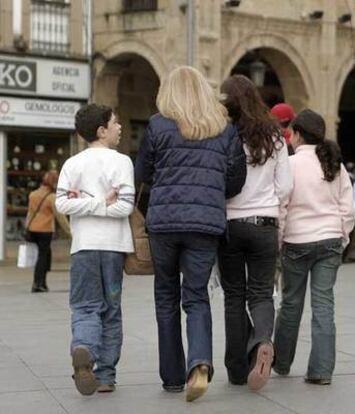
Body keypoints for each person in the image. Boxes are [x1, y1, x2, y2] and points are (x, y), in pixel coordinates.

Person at [135, 66, 246, 402]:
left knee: (165, 297)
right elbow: (236, 180)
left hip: (164, 224)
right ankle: (199, 363)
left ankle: (171, 376)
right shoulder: (223, 129)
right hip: (204, 224)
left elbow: (143, 173)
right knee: (196, 296)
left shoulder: (157, 125)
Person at [218, 75, 292, 391]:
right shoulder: (274, 135)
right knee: (261, 292)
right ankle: (262, 339)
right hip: (265, 223)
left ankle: (237, 368)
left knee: (234, 296)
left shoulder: (224, 136)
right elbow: (286, 186)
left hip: (231, 224)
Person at [55, 104, 135, 396]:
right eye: (115, 123)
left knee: (85, 306)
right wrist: (103, 202)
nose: (120, 127)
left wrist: (87, 201)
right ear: (101, 130)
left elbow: (62, 203)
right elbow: (125, 205)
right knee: (111, 310)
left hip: (84, 248)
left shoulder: (71, 165)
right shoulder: (122, 162)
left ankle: (84, 347)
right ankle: (105, 376)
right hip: (113, 250)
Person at [274, 109, 355, 385]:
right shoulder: (335, 164)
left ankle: (282, 362)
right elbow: (349, 208)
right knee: (324, 305)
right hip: (330, 241)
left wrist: (280, 239)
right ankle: (321, 371)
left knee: (291, 304)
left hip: (297, 241)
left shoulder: (291, 164)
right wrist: (342, 237)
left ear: (296, 134)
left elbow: (282, 205)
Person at [26, 170, 71, 293]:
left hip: (32, 229)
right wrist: (70, 232)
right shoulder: (52, 198)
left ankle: (42, 283)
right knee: (42, 256)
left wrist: (26, 227)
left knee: (45, 255)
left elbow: (29, 213)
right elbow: (60, 217)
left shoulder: (33, 194)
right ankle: (38, 283)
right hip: (45, 230)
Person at [343, 162, 355, 262]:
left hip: (342, 210)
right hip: (352, 211)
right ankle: (347, 255)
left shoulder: (343, 179)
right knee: (352, 234)